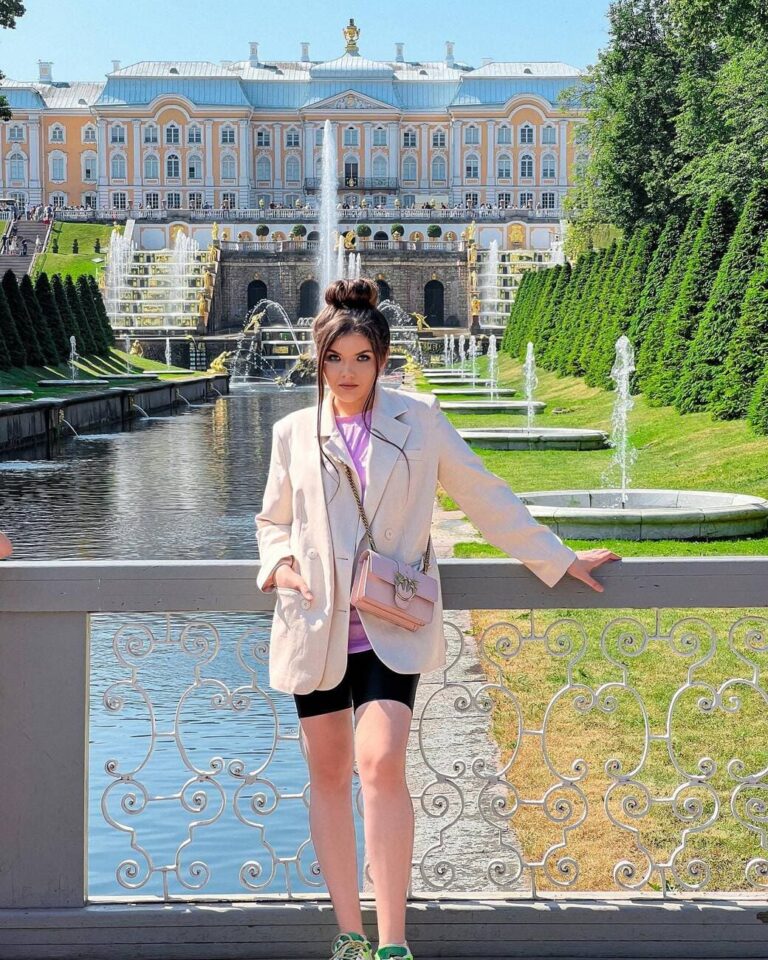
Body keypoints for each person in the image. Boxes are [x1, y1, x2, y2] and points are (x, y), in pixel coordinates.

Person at [255, 278, 620, 960]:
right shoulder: (292, 433)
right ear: (318, 358)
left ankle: (393, 941)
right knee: (328, 775)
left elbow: (483, 494)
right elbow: (272, 520)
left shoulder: (420, 420)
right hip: (315, 622)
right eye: (335, 358)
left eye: (361, 358)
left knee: (381, 762)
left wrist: (557, 557)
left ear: (381, 360)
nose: (346, 373)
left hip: (390, 622)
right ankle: (349, 934)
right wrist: (279, 564)